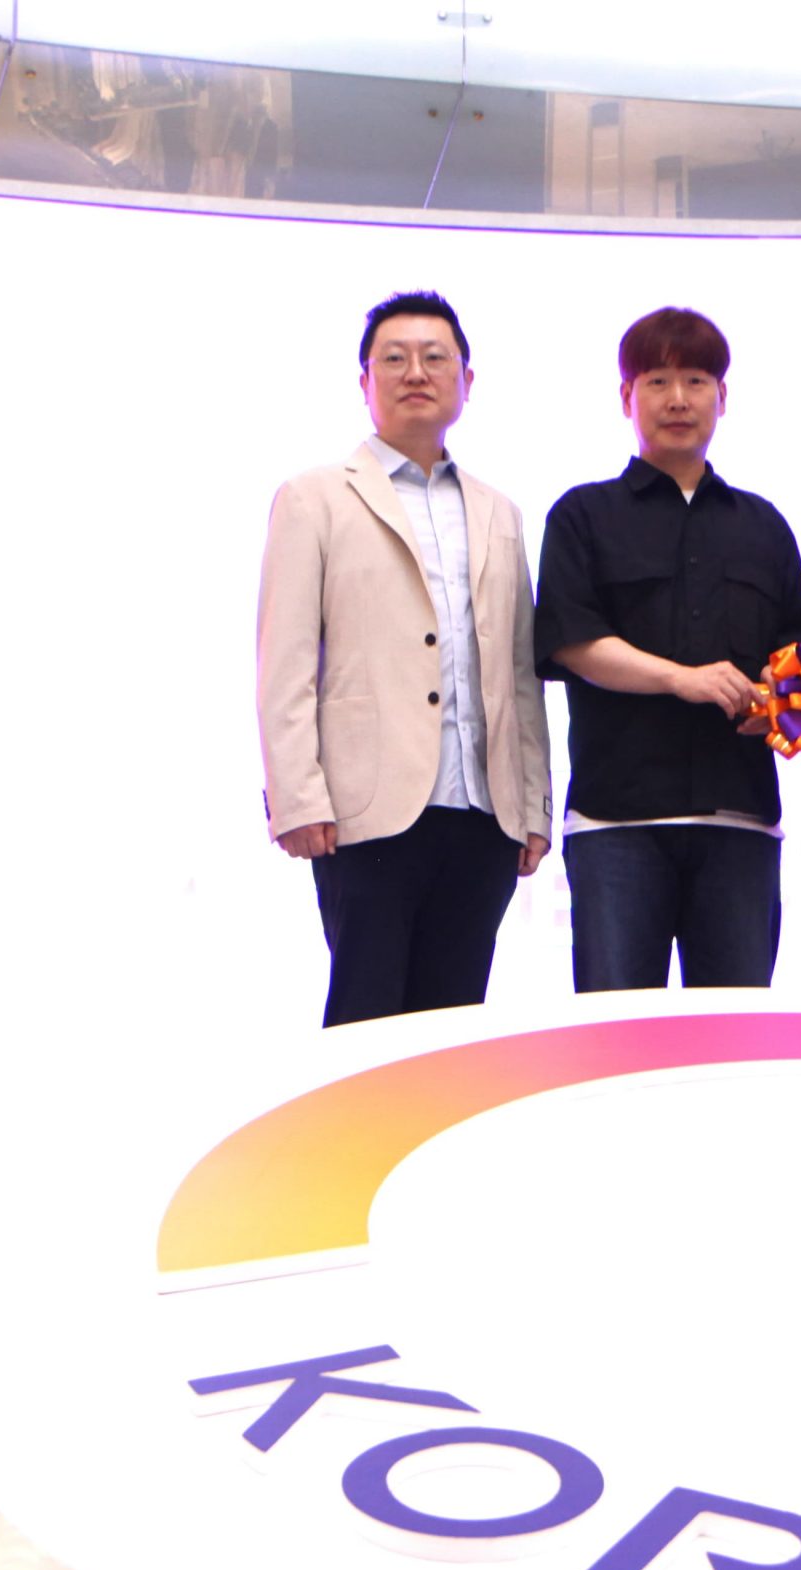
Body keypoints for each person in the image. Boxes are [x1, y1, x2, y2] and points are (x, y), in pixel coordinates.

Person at [256, 289, 550, 1026]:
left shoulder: (500, 511)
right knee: (366, 1020)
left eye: (434, 357)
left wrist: (533, 803)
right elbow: (286, 662)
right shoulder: (314, 498)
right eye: (394, 358)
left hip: (483, 812)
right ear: (365, 381)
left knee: (453, 1027)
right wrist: (298, 798)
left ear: (466, 380)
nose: (415, 372)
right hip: (367, 812)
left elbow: (518, 674)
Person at [534, 307, 801, 992]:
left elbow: (799, 661)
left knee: (735, 1034)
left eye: (696, 380)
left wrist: (777, 705)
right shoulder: (582, 516)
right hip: (617, 822)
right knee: (615, 1034)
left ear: (723, 396)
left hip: (741, 821)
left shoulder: (765, 526)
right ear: (626, 397)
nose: (678, 399)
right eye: (657, 381)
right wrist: (681, 679)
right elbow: (573, 642)